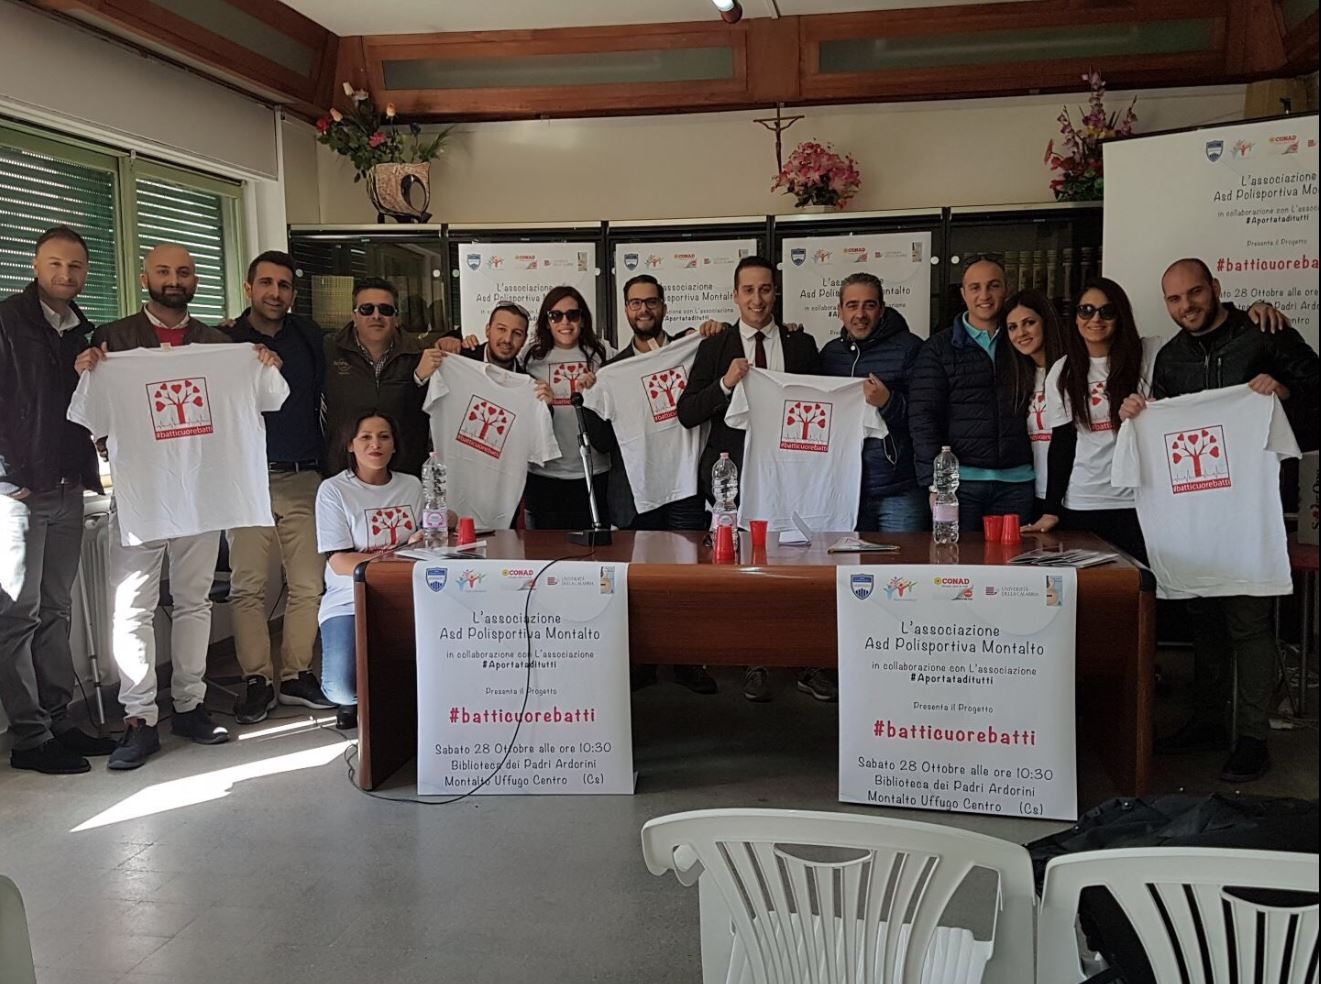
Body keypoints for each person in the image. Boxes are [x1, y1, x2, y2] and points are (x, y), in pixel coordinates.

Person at [1120, 258, 1319, 783]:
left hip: (1251, 507)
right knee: (1204, 616)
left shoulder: (1263, 332)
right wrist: (1142, 415)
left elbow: (1317, 398)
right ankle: (1208, 722)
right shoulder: (1170, 358)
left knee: (1249, 621)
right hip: (1197, 512)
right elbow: (1167, 432)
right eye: (1174, 299)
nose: (1186, 306)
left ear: (1215, 288)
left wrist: (1284, 395)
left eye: (1194, 293)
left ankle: (1253, 737)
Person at [88, 243, 281, 769]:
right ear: (144, 277)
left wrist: (261, 364)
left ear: (196, 280)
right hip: (141, 493)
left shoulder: (219, 344)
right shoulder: (111, 341)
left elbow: (258, 399)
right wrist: (91, 374)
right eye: (164, 271)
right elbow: (92, 417)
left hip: (201, 492)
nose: (174, 279)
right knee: (132, 606)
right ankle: (138, 718)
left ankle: (191, 705)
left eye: (184, 272)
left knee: (194, 601)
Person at [677, 255, 820, 703]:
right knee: (743, 575)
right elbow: (687, 412)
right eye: (748, 290)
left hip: (791, 476)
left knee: (798, 571)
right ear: (735, 296)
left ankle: (805, 661)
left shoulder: (802, 344)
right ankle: (753, 661)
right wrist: (724, 384)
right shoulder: (715, 346)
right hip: (733, 478)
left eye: (765, 289)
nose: (757, 299)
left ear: (776, 292)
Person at [0, 226, 116, 774]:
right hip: (20, 494)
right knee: (17, 616)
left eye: (75, 266)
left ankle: (58, 721)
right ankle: (30, 739)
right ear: (35, 265)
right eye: (55, 263)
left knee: (56, 611)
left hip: (70, 484)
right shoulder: (7, 321)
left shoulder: (82, 333)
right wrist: (6, 478)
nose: (65, 274)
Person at [583, 274, 715, 695]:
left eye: (652, 302)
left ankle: (687, 660)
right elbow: (603, 443)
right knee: (639, 581)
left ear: (664, 307)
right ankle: (642, 661)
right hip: (637, 490)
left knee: (687, 579)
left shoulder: (693, 351)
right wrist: (589, 399)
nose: (644, 310)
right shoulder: (612, 372)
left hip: (686, 484)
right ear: (626, 310)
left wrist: (715, 333)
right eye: (636, 303)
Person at [221, 251, 335, 724]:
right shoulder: (224, 340)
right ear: (248, 288)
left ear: (293, 293)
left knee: (308, 583)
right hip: (245, 479)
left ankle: (295, 675)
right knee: (247, 586)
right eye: (266, 283)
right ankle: (256, 680)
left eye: (284, 285)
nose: (275, 292)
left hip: (303, 475)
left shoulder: (309, 336)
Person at [1023, 279, 1156, 562]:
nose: (1095, 319)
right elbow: (1062, 442)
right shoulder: (1062, 371)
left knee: (1139, 583)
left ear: (1120, 316)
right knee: (1094, 585)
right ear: (1075, 317)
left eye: (1107, 311)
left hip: (1137, 500)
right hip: (1083, 500)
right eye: (1086, 310)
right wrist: (1051, 509)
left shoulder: (1149, 355)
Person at [315, 411, 423, 731]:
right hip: (349, 597)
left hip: (406, 594)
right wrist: (393, 563)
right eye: (365, 437)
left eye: (384, 437)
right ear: (350, 445)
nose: (375, 444)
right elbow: (339, 561)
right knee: (342, 689)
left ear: (394, 445)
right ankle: (357, 698)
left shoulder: (412, 485)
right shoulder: (333, 490)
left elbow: (429, 536)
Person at [909, 257, 1036, 529]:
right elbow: (923, 418)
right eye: (975, 287)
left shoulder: (1023, 342)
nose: (984, 295)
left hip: (1018, 482)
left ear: (1006, 289)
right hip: (960, 485)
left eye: (993, 286)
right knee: (958, 556)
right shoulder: (938, 348)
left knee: (1016, 557)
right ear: (963, 293)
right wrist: (935, 484)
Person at [819, 272, 925, 533]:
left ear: (882, 309)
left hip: (897, 489)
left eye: (869, 305)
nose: (860, 314)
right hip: (843, 490)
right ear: (839, 311)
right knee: (848, 560)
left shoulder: (910, 349)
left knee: (904, 559)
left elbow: (926, 415)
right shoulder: (829, 355)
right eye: (852, 305)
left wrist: (888, 402)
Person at [322, 278, 443, 478]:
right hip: (343, 474)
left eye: (385, 310)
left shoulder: (420, 354)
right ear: (354, 316)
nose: (376, 316)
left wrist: (452, 340)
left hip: (404, 475)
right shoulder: (328, 351)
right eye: (366, 309)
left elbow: (432, 410)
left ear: (396, 318)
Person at [521, 286, 616, 530]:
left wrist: (685, 336)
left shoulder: (602, 353)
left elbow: (640, 364)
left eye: (573, 315)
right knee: (545, 549)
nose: (565, 322)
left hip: (594, 472)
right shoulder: (529, 357)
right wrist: (457, 342)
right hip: (544, 474)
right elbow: (494, 363)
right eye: (556, 315)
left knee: (594, 548)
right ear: (546, 321)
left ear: (583, 320)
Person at [1003, 290, 1066, 520]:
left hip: (1073, 494)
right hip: (1036, 491)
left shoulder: (1070, 369)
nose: (1021, 333)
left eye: (1029, 323)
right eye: (1012, 327)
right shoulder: (1020, 378)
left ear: (1046, 322)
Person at [460, 301, 530, 373]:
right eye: (501, 329)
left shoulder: (525, 378)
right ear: (488, 330)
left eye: (517, 333)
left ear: (524, 340)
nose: (507, 339)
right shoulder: (461, 360)